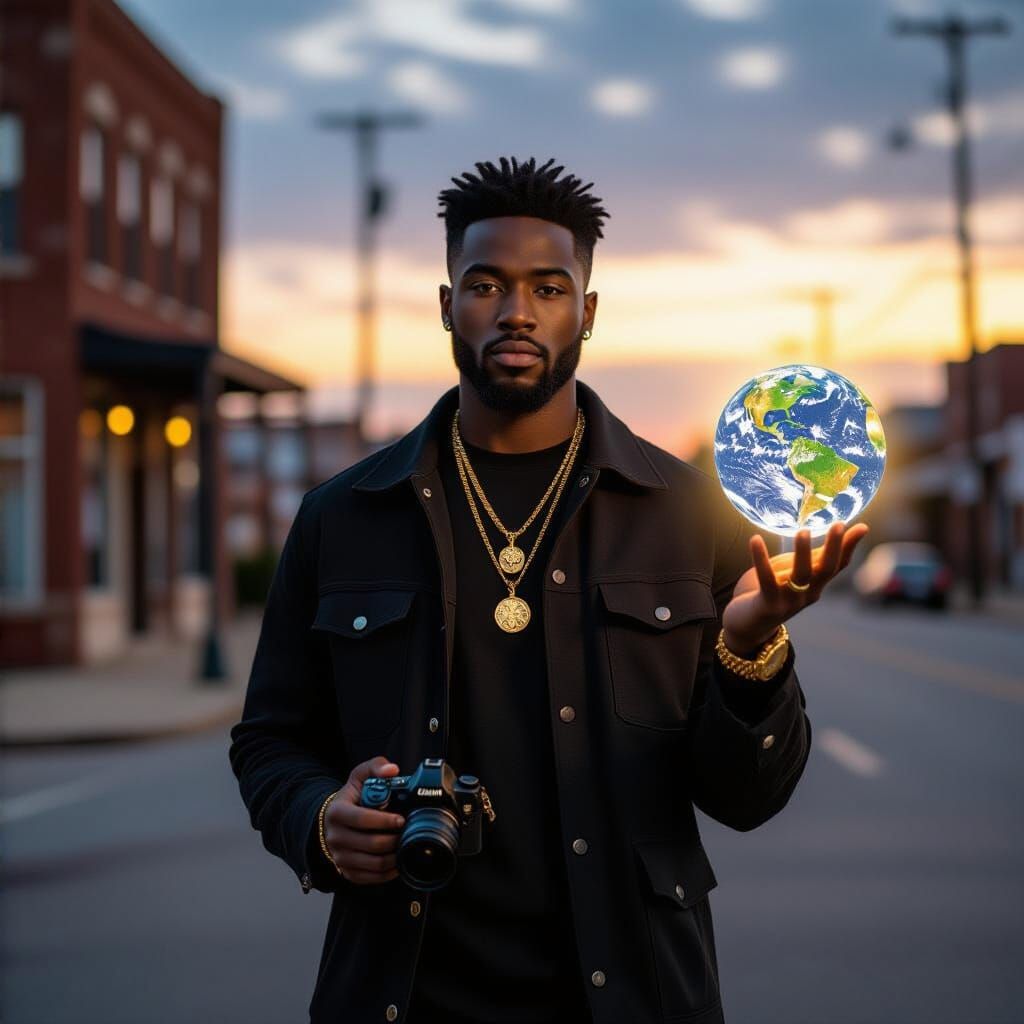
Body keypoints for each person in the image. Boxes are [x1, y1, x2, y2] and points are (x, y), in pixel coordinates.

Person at [228, 156, 868, 1024]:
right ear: (446, 303)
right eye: (486, 283)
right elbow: (270, 739)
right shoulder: (342, 517)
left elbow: (746, 800)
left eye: (549, 287)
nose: (517, 311)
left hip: (633, 995)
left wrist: (750, 646)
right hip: (401, 992)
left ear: (589, 312)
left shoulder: (687, 512)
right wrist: (316, 820)